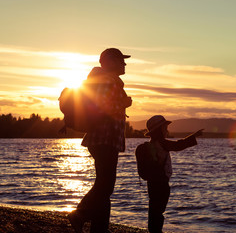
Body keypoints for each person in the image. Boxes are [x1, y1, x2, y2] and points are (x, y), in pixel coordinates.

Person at [68, 48, 132, 233]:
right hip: (104, 139)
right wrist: (124, 103)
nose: (124, 64)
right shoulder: (107, 80)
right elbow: (103, 106)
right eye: (121, 60)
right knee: (105, 185)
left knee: (104, 186)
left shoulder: (105, 80)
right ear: (110, 61)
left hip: (103, 139)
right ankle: (79, 214)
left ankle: (100, 228)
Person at [135, 115, 203, 233]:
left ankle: (153, 229)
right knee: (159, 208)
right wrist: (193, 136)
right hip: (161, 182)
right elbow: (178, 145)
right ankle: (156, 230)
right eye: (165, 128)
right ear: (159, 130)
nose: (167, 130)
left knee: (154, 207)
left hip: (152, 182)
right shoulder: (162, 143)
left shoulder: (152, 145)